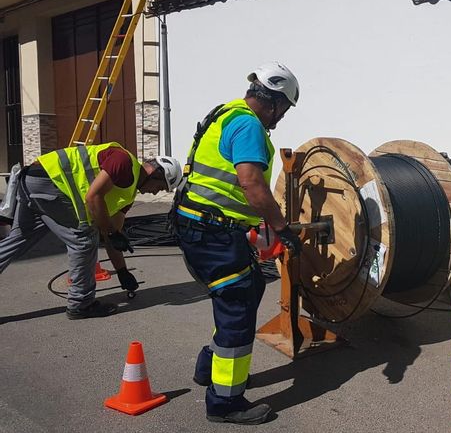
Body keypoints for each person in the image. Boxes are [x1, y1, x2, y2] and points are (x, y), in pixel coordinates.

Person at [173, 62, 302, 425]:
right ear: (275, 103)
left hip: (198, 224)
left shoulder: (224, 113)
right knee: (238, 304)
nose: (281, 119)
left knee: (243, 290)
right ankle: (225, 403)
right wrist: (282, 228)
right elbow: (251, 183)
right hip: (212, 232)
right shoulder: (248, 124)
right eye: (284, 110)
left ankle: (208, 368)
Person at [0, 143, 182, 318]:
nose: (155, 193)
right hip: (50, 181)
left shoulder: (128, 195)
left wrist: (122, 271)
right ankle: (81, 304)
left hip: (32, 181)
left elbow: (113, 235)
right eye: (159, 187)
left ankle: (81, 301)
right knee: (84, 240)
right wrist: (110, 232)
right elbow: (93, 196)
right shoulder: (124, 161)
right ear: (154, 173)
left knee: (19, 238)